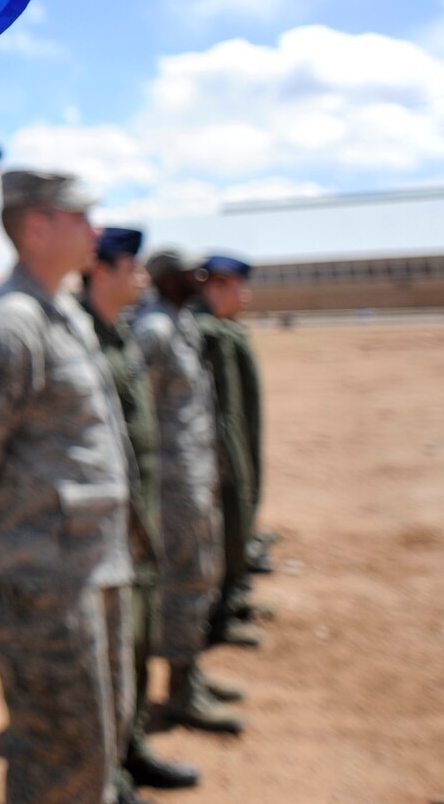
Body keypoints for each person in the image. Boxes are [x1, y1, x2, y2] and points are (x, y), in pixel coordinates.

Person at [0, 170, 133, 804]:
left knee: (99, 747)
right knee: (60, 757)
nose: (98, 230)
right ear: (36, 227)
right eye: (82, 216)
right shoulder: (8, 326)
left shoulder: (63, 313)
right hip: (39, 582)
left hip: (90, 566)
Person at [84, 229, 200, 796]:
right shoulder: (82, 338)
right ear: (101, 271)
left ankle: (128, 751)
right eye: (132, 267)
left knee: (134, 645)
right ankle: (110, 767)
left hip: (139, 522)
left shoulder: (119, 338)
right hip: (99, 537)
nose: (143, 280)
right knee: (105, 662)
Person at [135, 249, 244, 738]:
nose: (199, 278)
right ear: (166, 279)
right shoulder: (154, 330)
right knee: (181, 581)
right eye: (188, 272)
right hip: (173, 484)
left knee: (202, 576)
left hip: (196, 474)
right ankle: (181, 690)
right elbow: (141, 412)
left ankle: (191, 672)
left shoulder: (178, 322)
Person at [195, 255, 265, 648]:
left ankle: (233, 600)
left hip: (236, 446)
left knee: (239, 522)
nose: (246, 294)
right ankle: (219, 612)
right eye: (238, 285)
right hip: (216, 456)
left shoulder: (224, 330)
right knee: (224, 530)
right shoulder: (209, 333)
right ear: (216, 286)